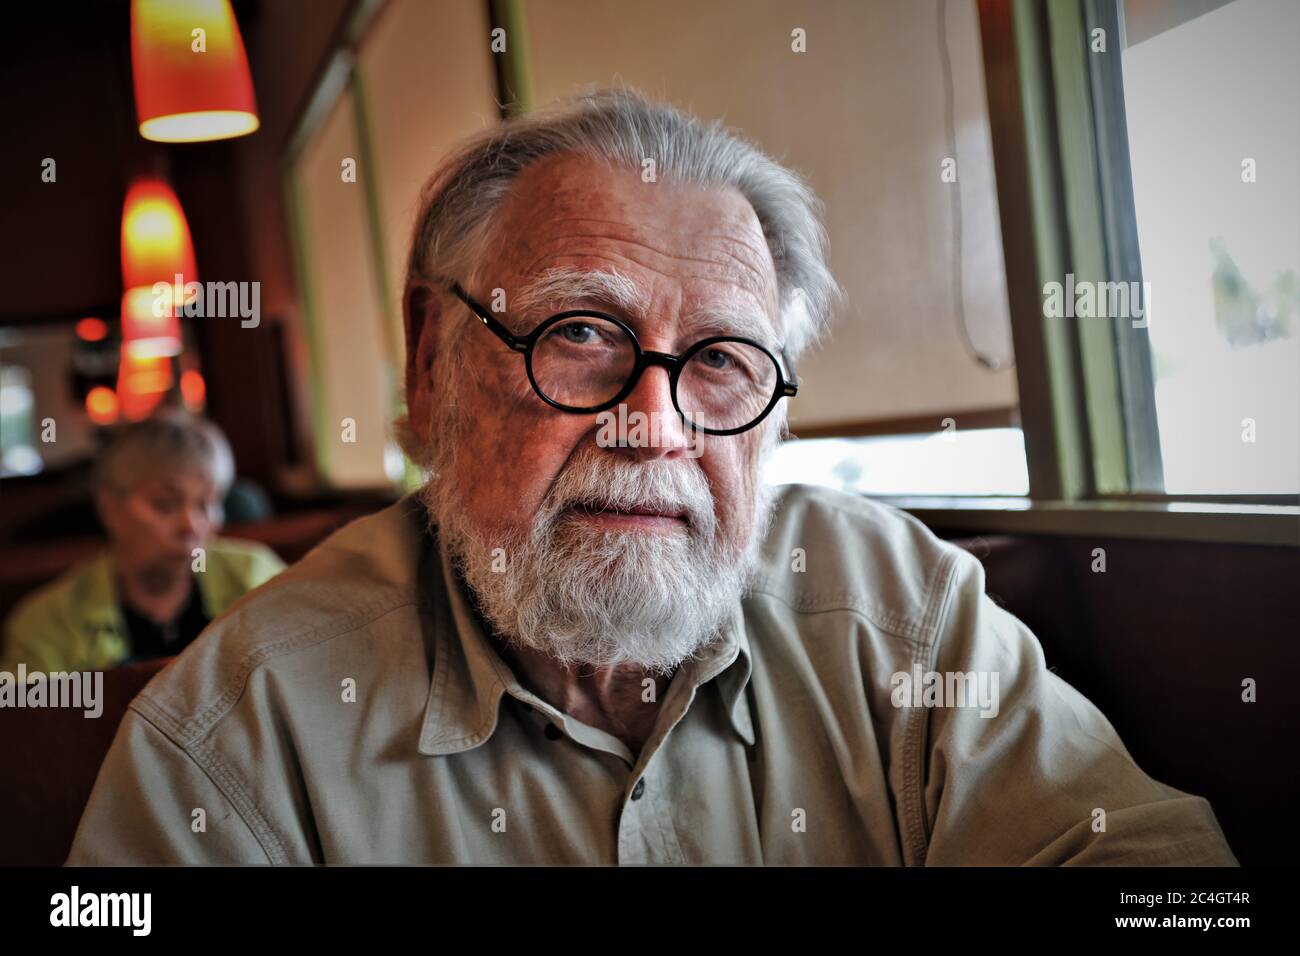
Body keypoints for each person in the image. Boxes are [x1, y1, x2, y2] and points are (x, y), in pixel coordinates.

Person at [66, 89, 1236, 865]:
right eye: (579, 332)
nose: (655, 422)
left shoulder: (896, 608)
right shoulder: (237, 730)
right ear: (432, 365)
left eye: (721, 359)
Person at [1, 410, 284, 672]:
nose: (191, 525)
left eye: (205, 505)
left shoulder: (256, 578)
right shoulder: (48, 623)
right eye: (165, 505)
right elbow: (31, 721)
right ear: (110, 508)